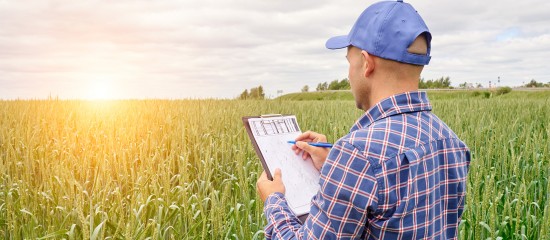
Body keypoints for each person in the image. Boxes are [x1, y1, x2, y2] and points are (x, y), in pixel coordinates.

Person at [256, 0, 471, 239]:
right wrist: (333, 166)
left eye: (350, 62)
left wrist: (274, 200)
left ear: (367, 63)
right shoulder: (451, 140)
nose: (349, 75)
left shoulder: (357, 154)